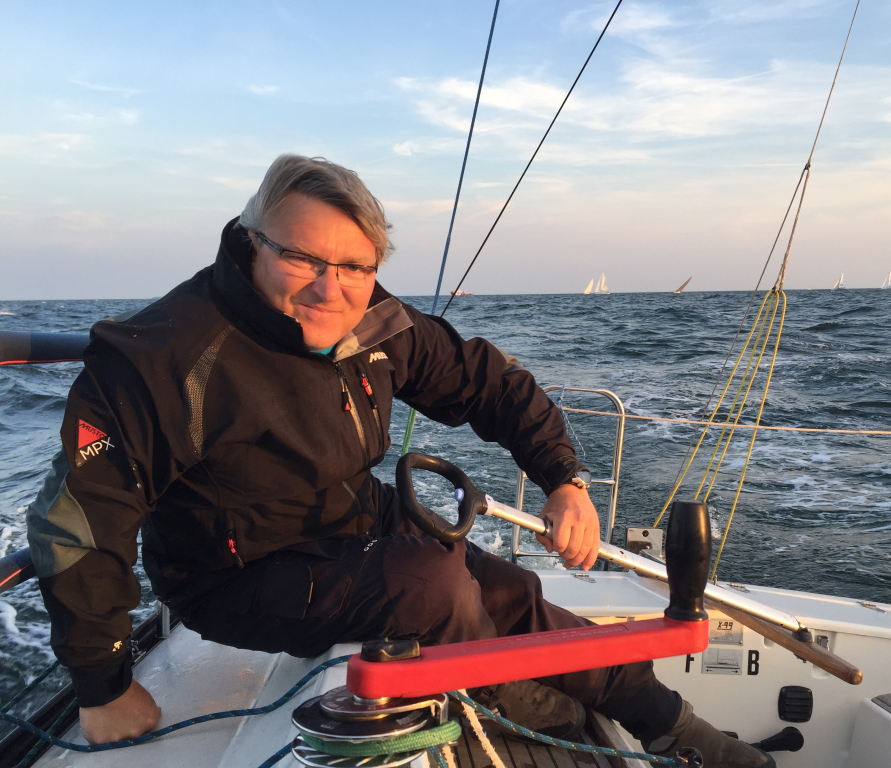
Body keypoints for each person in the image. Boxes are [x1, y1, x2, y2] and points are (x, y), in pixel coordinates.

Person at [27, 155, 773, 767]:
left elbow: (487, 382)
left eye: (356, 266)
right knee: (432, 582)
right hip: (234, 574)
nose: (331, 287)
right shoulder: (165, 356)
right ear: (253, 243)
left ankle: (675, 726)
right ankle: (531, 706)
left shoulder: (374, 319)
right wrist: (102, 685)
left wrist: (564, 479)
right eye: (300, 256)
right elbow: (81, 522)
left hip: (351, 522)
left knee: (513, 591)